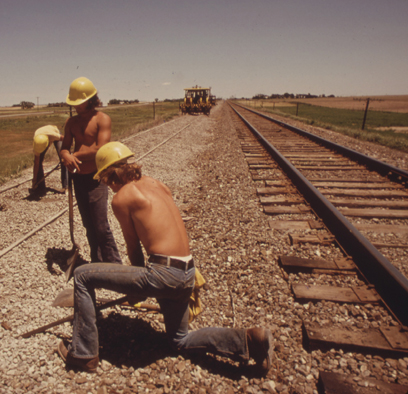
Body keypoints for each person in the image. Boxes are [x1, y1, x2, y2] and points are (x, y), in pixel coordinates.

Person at [57, 142, 274, 374]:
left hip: (163, 274)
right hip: (188, 272)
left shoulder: (122, 198)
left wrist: (136, 292)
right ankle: (248, 340)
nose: (108, 187)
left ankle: (83, 354)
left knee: (82, 275)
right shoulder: (156, 183)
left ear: (111, 176)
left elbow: (134, 249)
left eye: (106, 181)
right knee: (179, 340)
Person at [59, 77, 122, 263]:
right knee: (88, 224)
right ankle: (97, 263)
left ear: (91, 99)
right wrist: (65, 155)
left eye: (80, 102)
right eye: (74, 103)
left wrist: (73, 156)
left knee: (101, 225)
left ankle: (115, 266)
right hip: (78, 179)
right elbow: (64, 147)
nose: (77, 106)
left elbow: (100, 150)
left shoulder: (102, 119)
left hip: (97, 179)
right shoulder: (71, 123)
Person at [31, 125, 67, 193]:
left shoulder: (53, 135)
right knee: (39, 161)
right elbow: (36, 163)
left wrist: (66, 152)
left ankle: (66, 186)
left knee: (63, 158)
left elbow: (64, 139)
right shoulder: (37, 142)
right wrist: (34, 180)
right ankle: (39, 186)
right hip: (41, 136)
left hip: (54, 131)